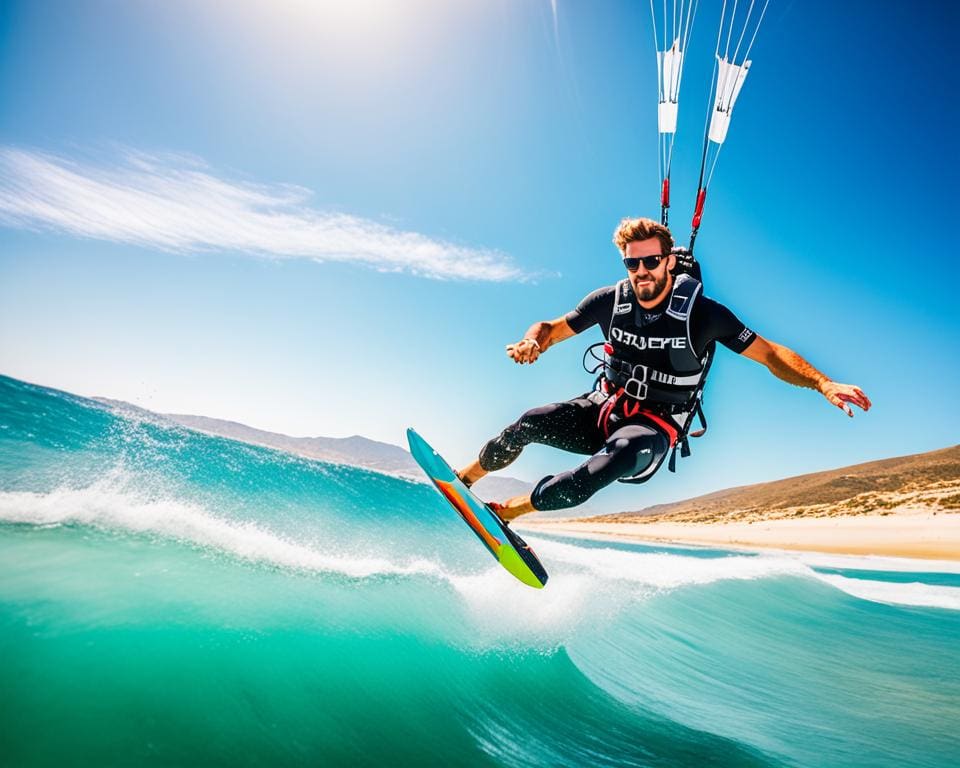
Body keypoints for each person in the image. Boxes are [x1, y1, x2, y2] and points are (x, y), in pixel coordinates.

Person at [457, 217, 871, 520]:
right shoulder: (608, 301)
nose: (641, 272)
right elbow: (550, 328)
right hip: (604, 408)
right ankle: (465, 479)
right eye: (632, 264)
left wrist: (822, 383)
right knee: (529, 422)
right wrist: (532, 341)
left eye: (651, 261)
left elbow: (770, 354)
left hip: (652, 429)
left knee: (594, 473)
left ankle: (509, 511)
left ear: (669, 261)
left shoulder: (704, 315)